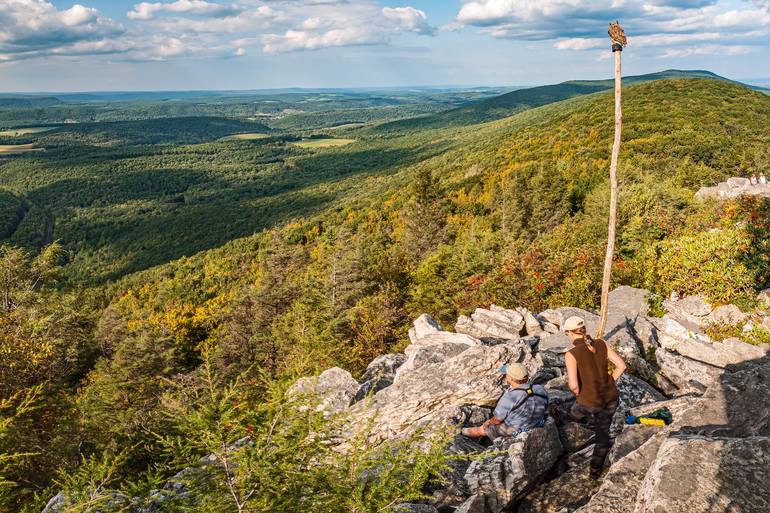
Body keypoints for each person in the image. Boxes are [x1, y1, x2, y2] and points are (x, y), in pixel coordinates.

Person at [560, 316, 627, 479]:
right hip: (611, 398)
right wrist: (610, 381)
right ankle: (595, 472)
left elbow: (574, 386)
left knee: (576, 411)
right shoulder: (601, 343)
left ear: (568, 332)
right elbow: (622, 366)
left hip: (591, 402)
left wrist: (580, 395)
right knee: (602, 435)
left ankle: (567, 421)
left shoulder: (571, 354)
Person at [461, 363, 548, 440]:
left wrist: (488, 422)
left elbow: (497, 420)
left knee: (485, 428)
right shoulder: (540, 388)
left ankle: (461, 431)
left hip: (515, 430)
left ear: (510, 379)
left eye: (507, 374)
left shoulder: (509, 397)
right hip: (537, 423)